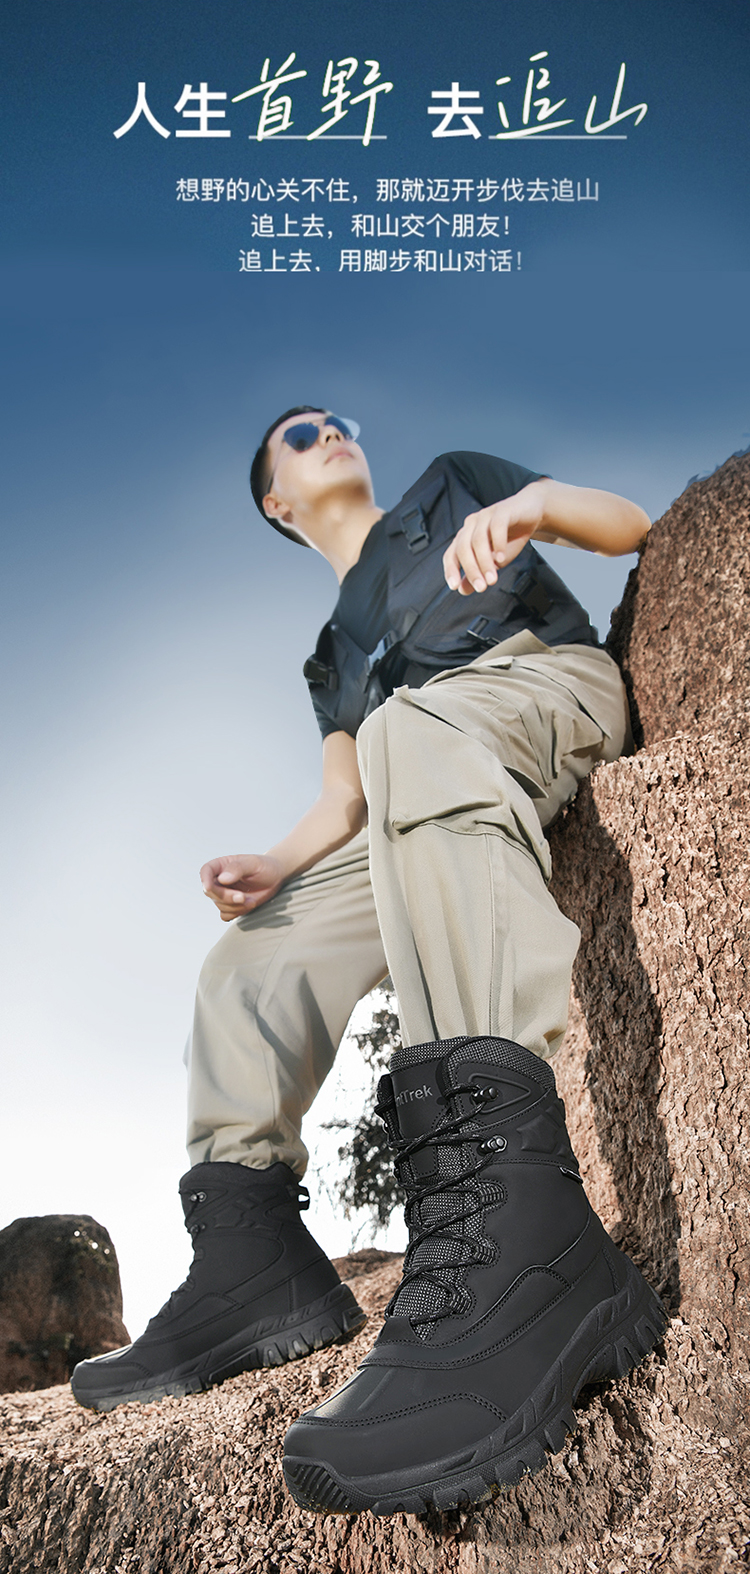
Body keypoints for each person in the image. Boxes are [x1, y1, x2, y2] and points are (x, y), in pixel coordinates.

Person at [71, 408, 666, 1515]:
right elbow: (345, 801)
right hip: (420, 772)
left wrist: (536, 507)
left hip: (544, 690)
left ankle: (524, 1231)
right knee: (247, 959)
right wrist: (273, 864)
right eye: (303, 435)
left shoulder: (452, 486)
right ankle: (254, 1261)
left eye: (336, 422)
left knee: (413, 731)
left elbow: (628, 524)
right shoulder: (334, 650)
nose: (332, 432)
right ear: (277, 502)